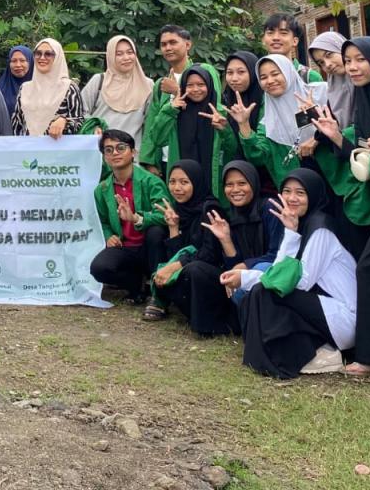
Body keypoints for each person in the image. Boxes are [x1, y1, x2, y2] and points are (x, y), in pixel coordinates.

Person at [310, 37, 370, 381]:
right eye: (349, 61)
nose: (352, 67)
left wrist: (345, 142)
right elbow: (364, 149)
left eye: (360, 59)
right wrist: (335, 137)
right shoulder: (366, 98)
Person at [232, 168, 357, 379]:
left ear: (313, 195)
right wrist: (290, 232)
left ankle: (305, 354)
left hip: (342, 318)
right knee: (259, 291)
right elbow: (279, 270)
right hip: (320, 307)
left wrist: (246, 278)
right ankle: (307, 353)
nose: (291, 198)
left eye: (300, 193)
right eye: (287, 191)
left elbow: (298, 282)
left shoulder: (321, 228)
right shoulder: (300, 224)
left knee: (265, 292)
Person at [165, 161, 283, 336]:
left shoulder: (269, 208)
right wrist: (226, 239)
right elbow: (231, 264)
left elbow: (277, 255)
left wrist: (244, 265)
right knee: (196, 270)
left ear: (254, 183)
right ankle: (210, 327)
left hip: (268, 278)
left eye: (242, 183)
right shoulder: (230, 215)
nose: (235, 190)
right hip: (239, 283)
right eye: (229, 185)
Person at [89, 130, 170, 303]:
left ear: (133, 152)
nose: (115, 153)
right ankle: (136, 285)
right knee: (99, 268)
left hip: (150, 247)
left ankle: (158, 295)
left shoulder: (152, 182)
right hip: (124, 247)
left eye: (121, 147)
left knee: (156, 232)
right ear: (104, 157)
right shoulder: (102, 189)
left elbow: (166, 215)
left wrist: (137, 218)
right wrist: (109, 235)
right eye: (108, 150)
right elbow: (101, 221)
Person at [229, 54, 327, 188]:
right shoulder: (268, 122)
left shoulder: (321, 93)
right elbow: (257, 156)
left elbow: (346, 128)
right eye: (263, 77)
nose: (269, 81)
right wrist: (243, 124)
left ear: (289, 72)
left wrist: (317, 135)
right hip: (298, 193)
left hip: (335, 183)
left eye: (275, 74)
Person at [138, 65, 236, 195]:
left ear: (210, 85)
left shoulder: (221, 112)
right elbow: (157, 139)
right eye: (190, 85)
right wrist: (169, 111)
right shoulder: (175, 112)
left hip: (212, 183)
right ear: (183, 87)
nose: (196, 89)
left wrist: (224, 130)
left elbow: (233, 149)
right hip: (181, 186)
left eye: (201, 84)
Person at [144, 159, 219, 321]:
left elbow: (210, 254)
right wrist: (173, 227)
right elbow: (177, 252)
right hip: (187, 267)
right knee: (155, 233)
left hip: (207, 274)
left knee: (193, 269)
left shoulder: (210, 210)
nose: (177, 188)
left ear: (196, 182)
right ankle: (160, 298)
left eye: (184, 182)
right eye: (172, 182)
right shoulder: (179, 208)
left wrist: (173, 267)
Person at [139, 25, 194, 172]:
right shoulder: (160, 85)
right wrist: (149, 162)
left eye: (173, 42)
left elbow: (206, 108)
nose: (168, 48)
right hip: (165, 159)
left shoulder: (203, 73)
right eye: (163, 44)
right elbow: (152, 123)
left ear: (188, 44)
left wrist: (176, 91)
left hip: (193, 156)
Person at [80, 36, 153, 142]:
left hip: (132, 153)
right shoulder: (99, 81)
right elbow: (81, 111)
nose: (126, 58)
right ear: (110, 56)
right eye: (119, 54)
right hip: (100, 150)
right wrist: (93, 127)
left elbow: (149, 124)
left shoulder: (147, 85)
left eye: (130, 52)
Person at [12, 38, 83, 137]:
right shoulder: (25, 88)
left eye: (48, 54)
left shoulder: (69, 88)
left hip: (58, 149)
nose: (42, 58)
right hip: (28, 150)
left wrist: (64, 121)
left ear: (58, 57)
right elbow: (17, 125)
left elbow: (78, 120)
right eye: (38, 53)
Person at [309, 31, 354, 127]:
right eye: (321, 62)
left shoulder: (365, 79)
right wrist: (313, 112)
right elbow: (333, 124)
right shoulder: (333, 86)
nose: (327, 64)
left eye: (329, 54)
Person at [261, 13, 320, 83]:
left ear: (295, 41)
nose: (275, 38)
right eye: (270, 33)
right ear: (263, 40)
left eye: (283, 33)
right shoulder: (256, 77)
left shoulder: (310, 77)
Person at [221, 51, 264, 135]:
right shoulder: (226, 102)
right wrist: (225, 129)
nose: (234, 78)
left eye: (241, 72)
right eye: (229, 72)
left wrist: (244, 124)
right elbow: (232, 147)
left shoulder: (266, 103)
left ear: (254, 73)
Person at [0, 45, 34, 118]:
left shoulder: (41, 88)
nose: (18, 65)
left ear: (30, 62)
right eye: (13, 61)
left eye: (22, 60)